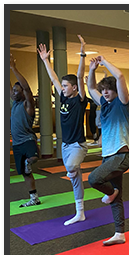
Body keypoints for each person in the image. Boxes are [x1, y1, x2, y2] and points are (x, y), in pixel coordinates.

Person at [37, 35, 88, 226]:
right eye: (63, 86)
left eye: (66, 86)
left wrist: (82, 52)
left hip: (77, 146)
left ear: (74, 88)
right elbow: (54, 78)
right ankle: (80, 212)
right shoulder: (64, 98)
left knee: (72, 168)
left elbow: (81, 76)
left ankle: (75, 170)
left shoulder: (79, 100)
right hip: (65, 146)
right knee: (75, 180)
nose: (63, 88)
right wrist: (45, 60)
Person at [87, 55, 129, 246]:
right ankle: (119, 233)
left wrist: (104, 61)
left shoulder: (123, 103)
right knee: (117, 198)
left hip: (121, 155)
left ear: (115, 91)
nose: (105, 93)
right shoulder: (104, 104)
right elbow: (90, 88)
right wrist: (91, 69)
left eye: (108, 90)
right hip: (108, 157)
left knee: (94, 179)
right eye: (103, 90)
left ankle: (111, 192)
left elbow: (120, 76)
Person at [10, 53, 41, 207]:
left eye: (16, 91)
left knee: (33, 159)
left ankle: (33, 155)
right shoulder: (14, 103)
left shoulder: (27, 105)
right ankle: (34, 198)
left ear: (23, 93)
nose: (14, 93)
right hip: (16, 143)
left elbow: (27, 88)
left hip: (28, 139)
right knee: (25, 173)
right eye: (13, 91)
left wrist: (13, 68)